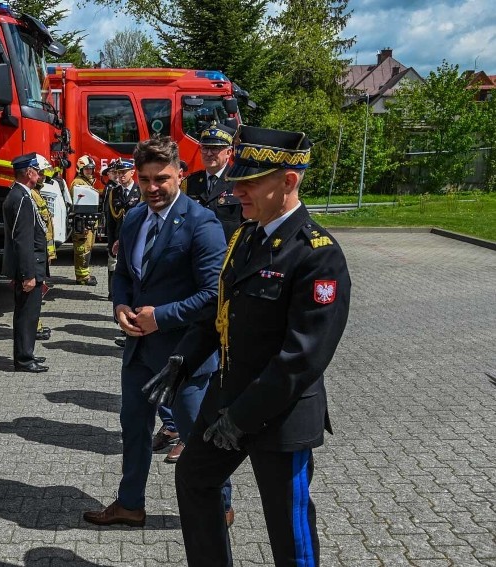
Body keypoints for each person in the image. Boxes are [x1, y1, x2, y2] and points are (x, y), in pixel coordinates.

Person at [170, 125, 351, 566]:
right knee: (194, 479)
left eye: (250, 182)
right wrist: (184, 357)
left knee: (289, 528)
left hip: (279, 415)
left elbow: (301, 357)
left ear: (288, 181)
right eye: (236, 181)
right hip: (227, 399)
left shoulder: (317, 254)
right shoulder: (246, 238)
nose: (237, 191)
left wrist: (241, 418)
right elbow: (223, 310)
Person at [82, 137, 226, 527]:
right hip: (138, 353)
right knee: (134, 430)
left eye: (161, 178)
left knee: (198, 437)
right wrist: (120, 306)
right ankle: (130, 504)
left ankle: (219, 506)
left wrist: (160, 316)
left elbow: (214, 295)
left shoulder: (202, 223)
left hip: (184, 357)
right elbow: (126, 275)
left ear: (180, 173)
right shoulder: (133, 218)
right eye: (144, 179)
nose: (152, 188)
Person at [3, 153, 50, 373]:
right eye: (37, 171)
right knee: (26, 315)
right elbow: (22, 241)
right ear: (29, 172)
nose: (40, 175)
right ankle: (23, 359)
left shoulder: (24, 195)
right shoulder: (20, 198)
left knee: (30, 315)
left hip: (32, 266)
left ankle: (27, 353)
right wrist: (28, 274)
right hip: (30, 268)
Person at [185, 124, 243, 242]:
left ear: (228, 152)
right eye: (205, 148)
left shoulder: (239, 182)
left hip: (227, 253)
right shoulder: (190, 182)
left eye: (215, 148)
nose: (209, 153)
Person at [102, 158, 140, 307]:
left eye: (124, 172)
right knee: (116, 272)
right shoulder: (114, 193)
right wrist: (110, 243)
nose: (121, 175)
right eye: (119, 172)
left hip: (135, 240)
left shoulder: (140, 191)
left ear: (132, 172)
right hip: (118, 239)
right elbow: (111, 221)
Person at [30, 154, 57, 342]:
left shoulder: (36, 194)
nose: (44, 178)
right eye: (41, 174)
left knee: (39, 292)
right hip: (36, 255)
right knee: (33, 293)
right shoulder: (30, 195)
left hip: (42, 254)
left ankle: (35, 325)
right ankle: (33, 327)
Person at [69, 155, 99, 286]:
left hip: (87, 222)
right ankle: (82, 277)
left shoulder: (86, 182)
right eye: (87, 169)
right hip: (82, 223)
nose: (89, 171)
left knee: (87, 247)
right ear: (80, 170)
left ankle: (85, 273)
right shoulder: (78, 183)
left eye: (91, 169)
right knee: (82, 248)